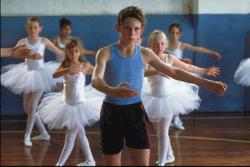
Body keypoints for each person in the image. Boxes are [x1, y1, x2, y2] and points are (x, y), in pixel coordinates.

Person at [91, 6, 227, 166]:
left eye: (136, 29)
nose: (132, 33)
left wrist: (207, 83)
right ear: (118, 27)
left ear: (142, 30)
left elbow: (173, 71)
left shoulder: (145, 53)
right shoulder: (105, 52)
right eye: (127, 28)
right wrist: (112, 90)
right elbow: (96, 80)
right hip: (111, 112)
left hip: (135, 112)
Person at [142, 30, 220, 166]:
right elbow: (141, 73)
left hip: (167, 98)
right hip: (151, 99)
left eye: (162, 43)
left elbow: (187, 67)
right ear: (150, 44)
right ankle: (170, 155)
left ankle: (161, 161)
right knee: (159, 131)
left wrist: (204, 71)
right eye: (155, 44)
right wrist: (156, 70)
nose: (159, 47)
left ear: (166, 44)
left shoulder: (169, 58)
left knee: (163, 132)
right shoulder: (146, 58)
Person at [38, 38, 103, 166]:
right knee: (80, 132)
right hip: (67, 104)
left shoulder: (84, 66)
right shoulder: (64, 66)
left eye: (76, 51)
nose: (73, 54)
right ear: (66, 52)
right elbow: (54, 75)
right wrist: (68, 70)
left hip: (80, 105)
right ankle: (90, 160)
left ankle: (60, 164)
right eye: (70, 51)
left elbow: (99, 72)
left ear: (79, 52)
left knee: (72, 134)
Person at [1, 16, 64, 147]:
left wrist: (71, 56)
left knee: (33, 106)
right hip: (26, 75)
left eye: (35, 27)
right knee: (27, 108)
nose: (33, 30)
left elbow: (60, 52)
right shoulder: (22, 41)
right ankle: (44, 134)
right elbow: (14, 53)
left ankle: (27, 136)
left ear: (40, 28)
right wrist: (30, 55)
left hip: (41, 74)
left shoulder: (44, 41)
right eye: (30, 27)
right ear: (27, 28)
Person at [167, 22, 222, 130]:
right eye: (172, 33)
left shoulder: (182, 45)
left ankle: (176, 119)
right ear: (169, 33)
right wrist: (180, 60)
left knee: (177, 97)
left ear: (180, 34)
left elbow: (199, 49)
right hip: (168, 73)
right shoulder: (165, 44)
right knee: (167, 96)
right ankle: (168, 120)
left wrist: (212, 53)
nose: (174, 35)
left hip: (179, 73)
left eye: (177, 33)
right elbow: (163, 58)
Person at [50, 17, 97, 91]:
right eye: (65, 29)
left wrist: (93, 52)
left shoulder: (73, 41)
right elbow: (54, 74)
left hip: (75, 66)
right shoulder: (56, 39)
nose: (67, 31)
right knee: (61, 87)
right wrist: (68, 69)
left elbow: (97, 72)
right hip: (61, 63)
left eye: (69, 29)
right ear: (60, 29)